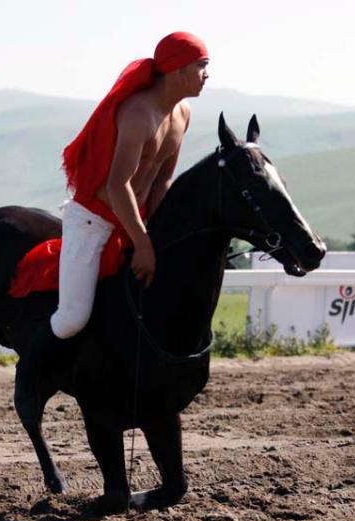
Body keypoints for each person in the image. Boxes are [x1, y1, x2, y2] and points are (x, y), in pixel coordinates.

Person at [13, 32, 210, 422]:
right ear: (178, 70)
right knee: (73, 317)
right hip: (94, 222)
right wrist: (144, 244)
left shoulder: (182, 115)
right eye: (202, 67)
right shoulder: (138, 114)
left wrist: (154, 234)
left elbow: (161, 182)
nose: (207, 75)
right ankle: (28, 378)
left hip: (134, 222)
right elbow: (118, 186)